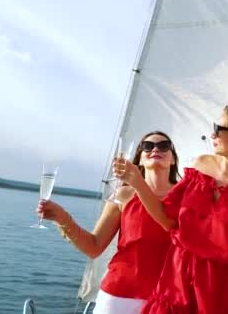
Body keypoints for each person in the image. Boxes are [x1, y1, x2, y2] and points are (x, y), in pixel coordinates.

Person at [113, 100, 228, 314]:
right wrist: (137, 181)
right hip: (176, 279)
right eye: (213, 128)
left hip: (221, 290)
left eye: (220, 129)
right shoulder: (201, 165)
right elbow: (166, 218)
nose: (212, 135)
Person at [37, 131, 179, 314]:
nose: (155, 149)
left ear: (173, 159)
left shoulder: (188, 196)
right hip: (119, 296)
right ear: (140, 160)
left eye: (164, 145)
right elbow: (94, 247)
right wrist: (62, 218)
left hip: (170, 299)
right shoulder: (123, 196)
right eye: (147, 146)